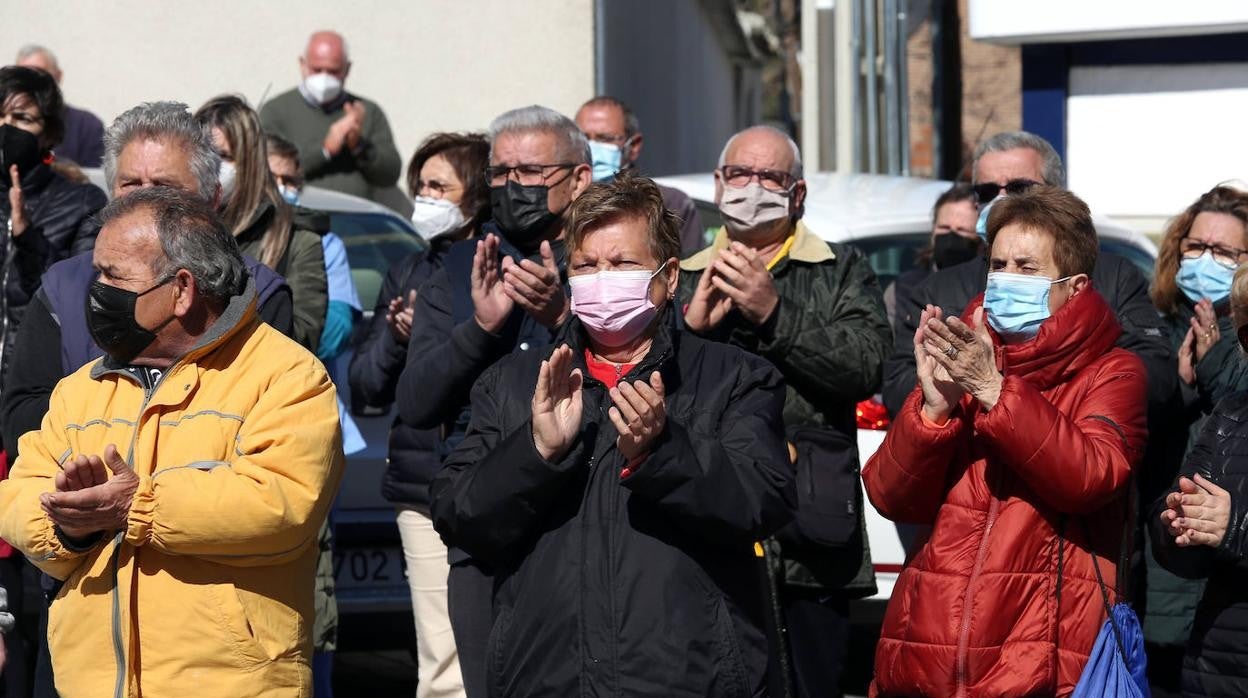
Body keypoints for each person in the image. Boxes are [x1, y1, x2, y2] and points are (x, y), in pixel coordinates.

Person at [431, 172, 795, 695]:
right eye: (586, 265)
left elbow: (764, 501)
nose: (602, 278)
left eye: (623, 264)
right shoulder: (514, 383)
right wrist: (536, 452)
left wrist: (662, 452)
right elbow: (458, 516)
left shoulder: (731, 378)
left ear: (669, 278)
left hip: (688, 678)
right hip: (550, 677)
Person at [0, 186, 344, 697]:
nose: (95, 290)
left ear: (182, 289)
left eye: (113, 276)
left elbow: (282, 504)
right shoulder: (82, 388)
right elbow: (20, 494)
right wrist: (70, 523)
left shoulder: (287, 377)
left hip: (231, 685)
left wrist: (133, 506)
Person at [864, 185, 1148, 695]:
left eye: (1027, 267)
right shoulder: (966, 351)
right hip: (924, 655)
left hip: (1038, 664)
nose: (1006, 280)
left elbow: (1091, 476)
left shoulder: (1113, 371)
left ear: (1076, 287)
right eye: (998, 265)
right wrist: (934, 411)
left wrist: (994, 390)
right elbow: (890, 496)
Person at [678, 125, 890, 697]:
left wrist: (776, 314)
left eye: (770, 177)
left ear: (796, 194)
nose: (753, 187)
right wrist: (688, 332)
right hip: (703, 532)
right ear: (719, 186)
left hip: (809, 540)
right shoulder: (682, 274)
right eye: (740, 175)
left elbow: (866, 365)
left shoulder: (840, 270)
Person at [396, 105, 590, 697]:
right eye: (500, 174)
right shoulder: (460, 267)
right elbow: (417, 401)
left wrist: (564, 318)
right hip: (479, 523)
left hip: (582, 513)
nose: (511, 186)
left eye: (530, 171)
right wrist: (480, 329)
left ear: (578, 179)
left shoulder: (605, 264)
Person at [880, 131, 1173, 419]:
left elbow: (1158, 375)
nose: (1002, 199)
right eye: (988, 191)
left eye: (1019, 188)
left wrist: (1061, 386)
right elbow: (898, 388)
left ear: (1056, 192)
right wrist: (969, 380)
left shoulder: (1113, 276)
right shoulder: (939, 289)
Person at [349, 131, 490, 698]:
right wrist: (395, 335)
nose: (424, 198)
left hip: (492, 475)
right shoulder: (407, 272)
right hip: (420, 487)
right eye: (421, 186)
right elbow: (367, 387)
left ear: (476, 196)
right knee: (442, 657)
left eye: (439, 186)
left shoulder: (501, 265)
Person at [265, 132, 363, 698]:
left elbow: (330, 330)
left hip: (304, 433)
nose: (282, 188)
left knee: (313, 598)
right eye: (272, 175)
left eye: (290, 177)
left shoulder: (317, 242)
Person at [1144, 185, 1248, 689]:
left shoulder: (1233, 342)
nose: (1206, 260)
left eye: (1225, 252)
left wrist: (1216, 368)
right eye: (1195, 247)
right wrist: (1180, 388)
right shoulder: (1151, 324)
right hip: (1163, 553)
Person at [196, 95, 327, 353]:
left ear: (250, 163)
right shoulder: (174, 228)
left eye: (224, 156)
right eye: (203, 154)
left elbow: (302, 339)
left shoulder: (297, 240)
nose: (212, 166)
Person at [0, 66, 105, 380]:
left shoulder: (82, 202)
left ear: (48, 132)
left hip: (31, 383)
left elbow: (77, 303)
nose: (6, 128)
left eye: (22, 118)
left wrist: (27, 239)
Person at [260, 31, 402, 203]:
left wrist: (359, 146)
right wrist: (325, 150)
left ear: (347, 69)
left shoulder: (367, 111)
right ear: (302, 64)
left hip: (355, 221)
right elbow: (264, 171)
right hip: (297, 218)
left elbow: (390, 174)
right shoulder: (276, 110)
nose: (324, 77)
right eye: (317, 69)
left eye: (333, 71)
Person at [575, 95, 705, 253]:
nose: (592, 147)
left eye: (606, 139)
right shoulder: (564, 200)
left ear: (634, 146)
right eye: (583, 139)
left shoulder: (671, 205)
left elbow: (689, 272)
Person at [883, 182, 979, 327]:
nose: (951, 237)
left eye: (962, 231)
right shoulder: (901, 290)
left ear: (980, 239)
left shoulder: (984, 289)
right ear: (933, 231)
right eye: (944, 228)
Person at [14, 45, 104, 167]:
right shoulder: (8, 123)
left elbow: (96, 180)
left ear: (58, 75)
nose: (32, 82)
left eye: (40, 73)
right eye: (24, 75)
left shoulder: (88, 126)